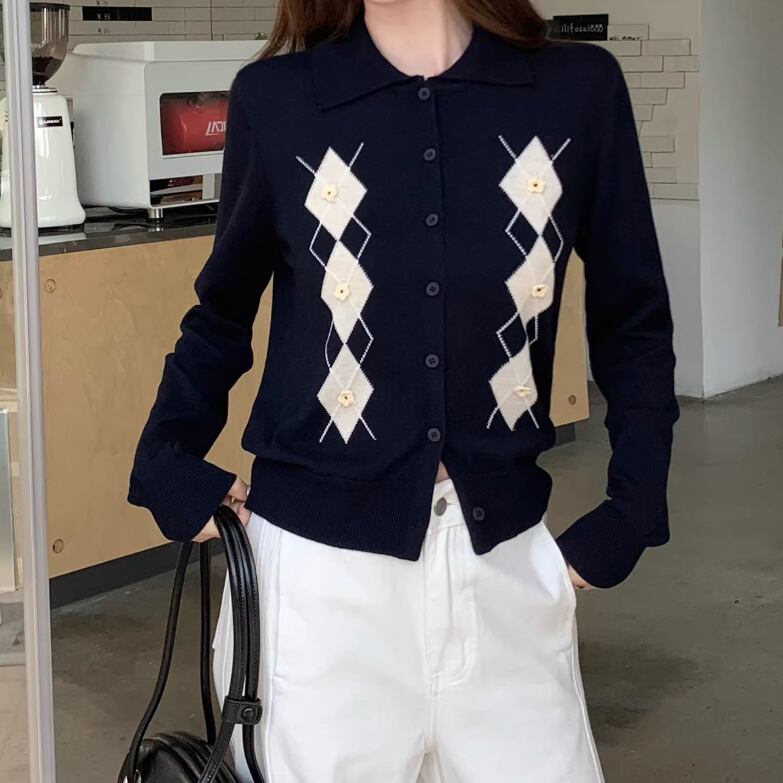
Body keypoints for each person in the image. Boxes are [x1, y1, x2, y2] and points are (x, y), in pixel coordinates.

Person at [129, 0, 679, 780]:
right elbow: (221, 313)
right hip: (315, 593)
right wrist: (165, 458)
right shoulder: (279, 100)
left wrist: (633, 508)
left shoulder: (574, 90)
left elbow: (633, 319)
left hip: (506, 573)